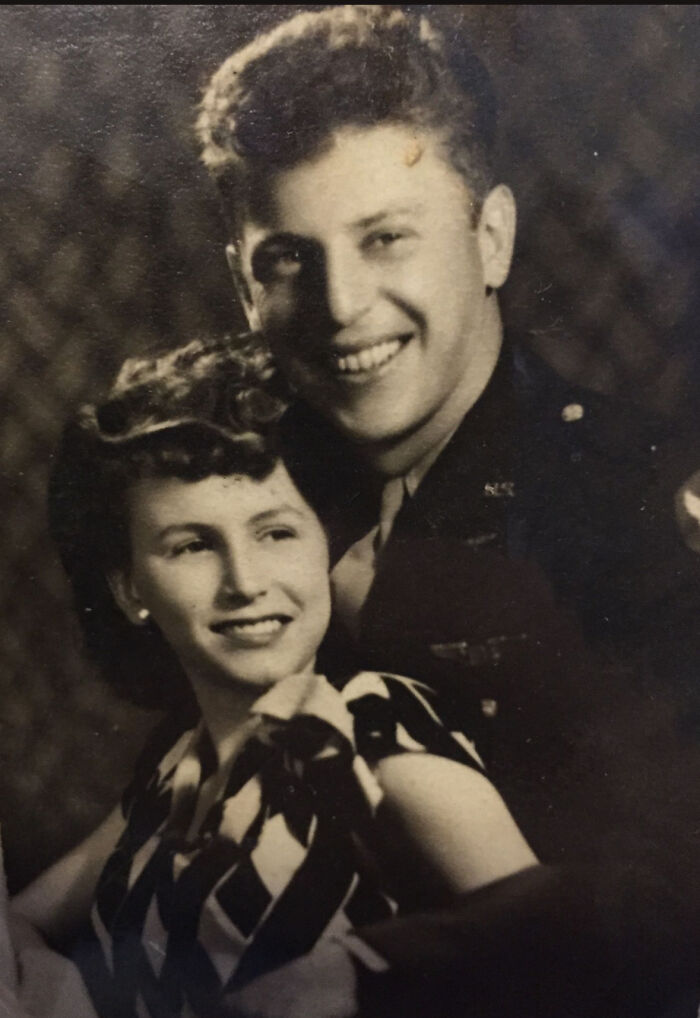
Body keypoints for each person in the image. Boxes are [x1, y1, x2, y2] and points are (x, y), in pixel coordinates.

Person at [196, 6, 700, 1016]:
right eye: (288, 258)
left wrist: (365, 974)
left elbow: (670, 906)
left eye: (386, 238)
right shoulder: (242, 498)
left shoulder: (635, 504)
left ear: (492, 237)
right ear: (241, 286)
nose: (341, 305)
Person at [10, 336, 537, 1018]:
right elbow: (17, 922)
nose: (245, 583)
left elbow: (554, 948)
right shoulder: (175, 771)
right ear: (130, 588)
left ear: (323, 544)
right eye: (193, 545)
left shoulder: (374, 726)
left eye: (276, 533)